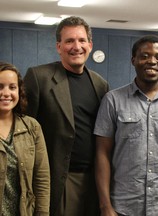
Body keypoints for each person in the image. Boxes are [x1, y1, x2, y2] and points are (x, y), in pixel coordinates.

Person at [94, 35, 158, 216]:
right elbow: (102, 153)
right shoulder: (113, 100)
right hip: (123, 206)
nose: (152, 61)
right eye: (144, 56)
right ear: (133, 60)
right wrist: (105, 206)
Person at [24, 16, 109, 216]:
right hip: (58, 178)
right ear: (58, 46)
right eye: (69, 41)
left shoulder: (100, 84)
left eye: (81, 40)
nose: (76, 46)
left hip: (94, 179)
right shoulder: (39, 77)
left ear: (90, 45)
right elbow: (23, 130)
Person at [0, 62, 50, 215]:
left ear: (19, 91)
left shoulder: (32, 127)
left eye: (12, 87)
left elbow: (41, 180)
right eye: (0, 86)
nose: (6, 93)